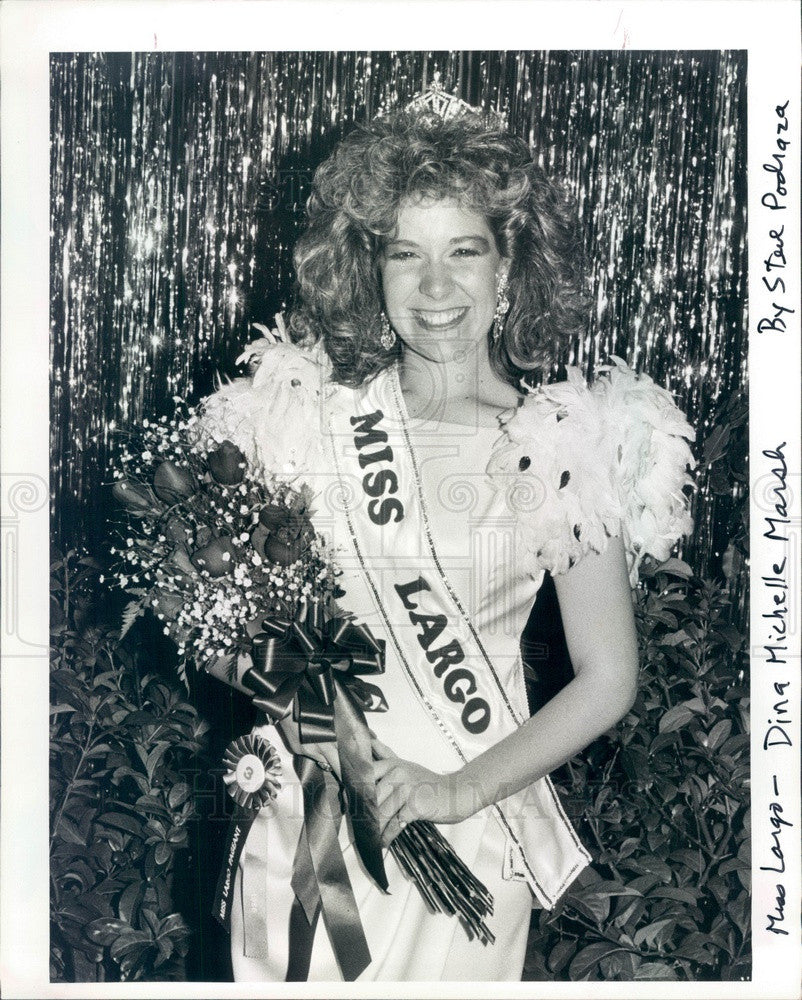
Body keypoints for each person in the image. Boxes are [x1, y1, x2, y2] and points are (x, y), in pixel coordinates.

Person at [197, 91, 695, 982]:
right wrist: (312, 728)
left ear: (510, 268)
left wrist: (458, 789)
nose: (435, 288)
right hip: (305, 822)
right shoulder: (302, 413)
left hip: (468, 825)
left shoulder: (562, 441)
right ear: (369, 270)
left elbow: (610, 676)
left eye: (464, 250)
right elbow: (223, 623)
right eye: (405, 254)